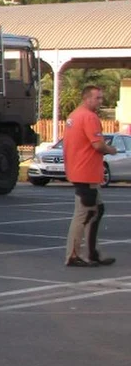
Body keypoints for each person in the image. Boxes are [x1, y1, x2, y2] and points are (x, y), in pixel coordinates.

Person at [63, 84, 117, 268]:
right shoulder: (89, 117)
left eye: (101, 98)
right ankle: (73, 255)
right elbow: (98, 145)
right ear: (86, 98)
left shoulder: (74, 116)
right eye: (97, 98)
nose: (101, 101)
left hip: (80, 171)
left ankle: (92, 253)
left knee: (96, 210)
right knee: (84, 213)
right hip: (86, 172)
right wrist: (111, 149)